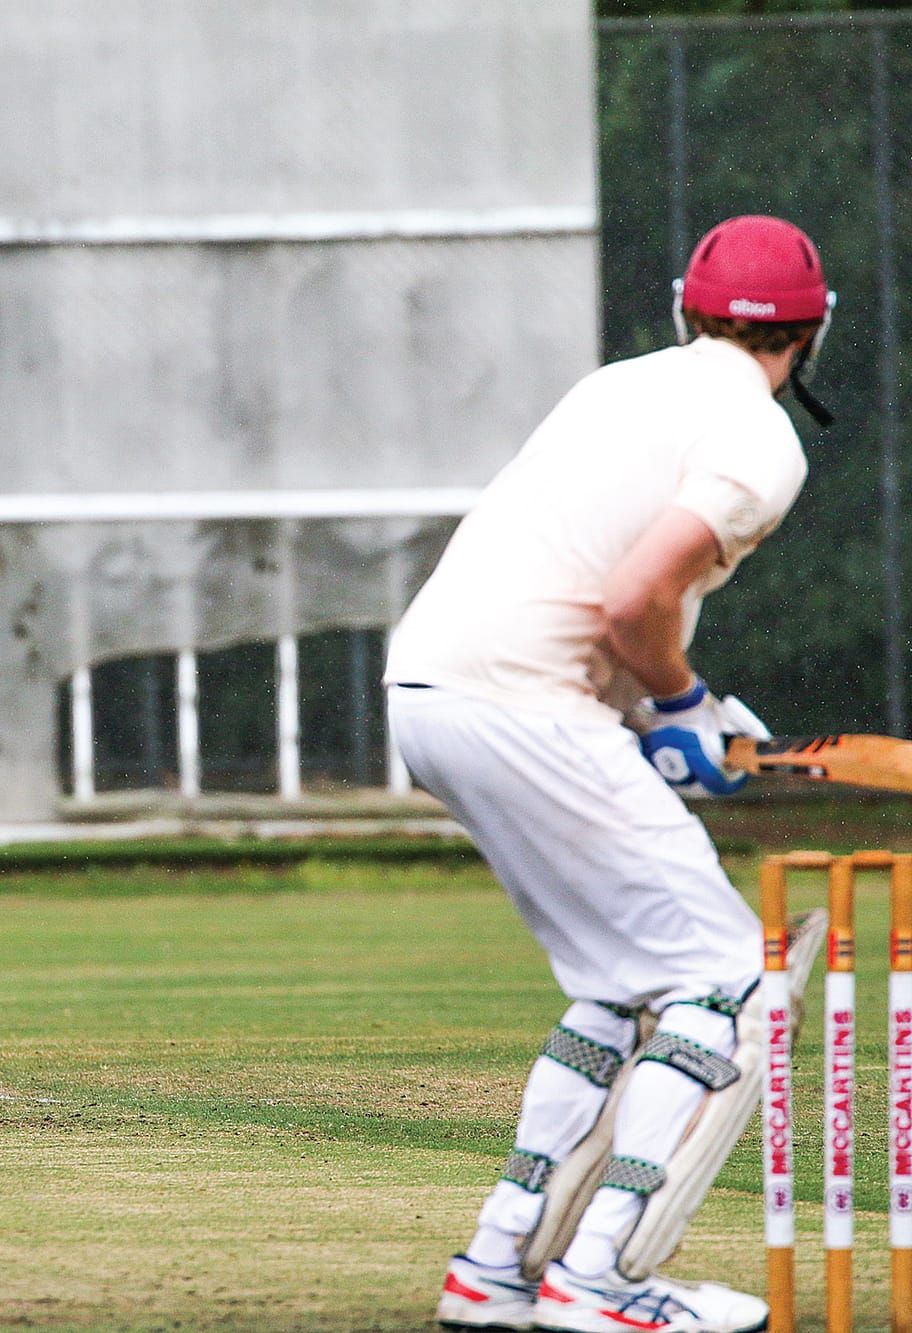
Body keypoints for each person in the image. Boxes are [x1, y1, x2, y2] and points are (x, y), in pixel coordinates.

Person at [386, 215, 835, 1333]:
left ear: (683, 306)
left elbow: (573, 580)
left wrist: (664, 706)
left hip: (430, 691)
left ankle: (497, 1266)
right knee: (729, 981)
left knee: (620, 978)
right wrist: (678, 704)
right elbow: (628, 600)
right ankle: (601, 1279)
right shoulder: (758, 438)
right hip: (527, 703)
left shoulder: (615, 387)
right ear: (808, 331)